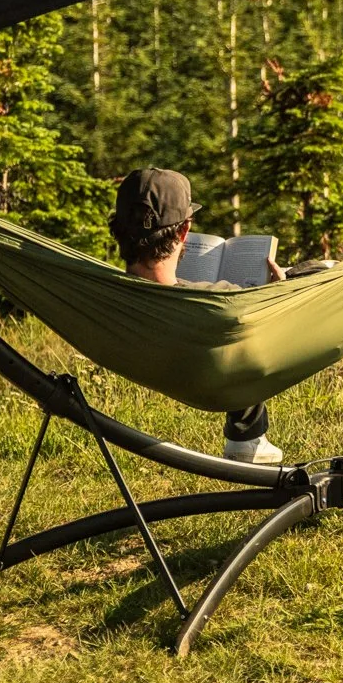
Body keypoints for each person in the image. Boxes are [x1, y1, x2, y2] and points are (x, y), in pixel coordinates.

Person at [110, 167, 285, 464]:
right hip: (209, 351)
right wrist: (278, 295)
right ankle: (247, 435)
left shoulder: (103, 292)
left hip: (136, 339)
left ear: (118, 228)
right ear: (184, 231)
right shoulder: (218, 298)